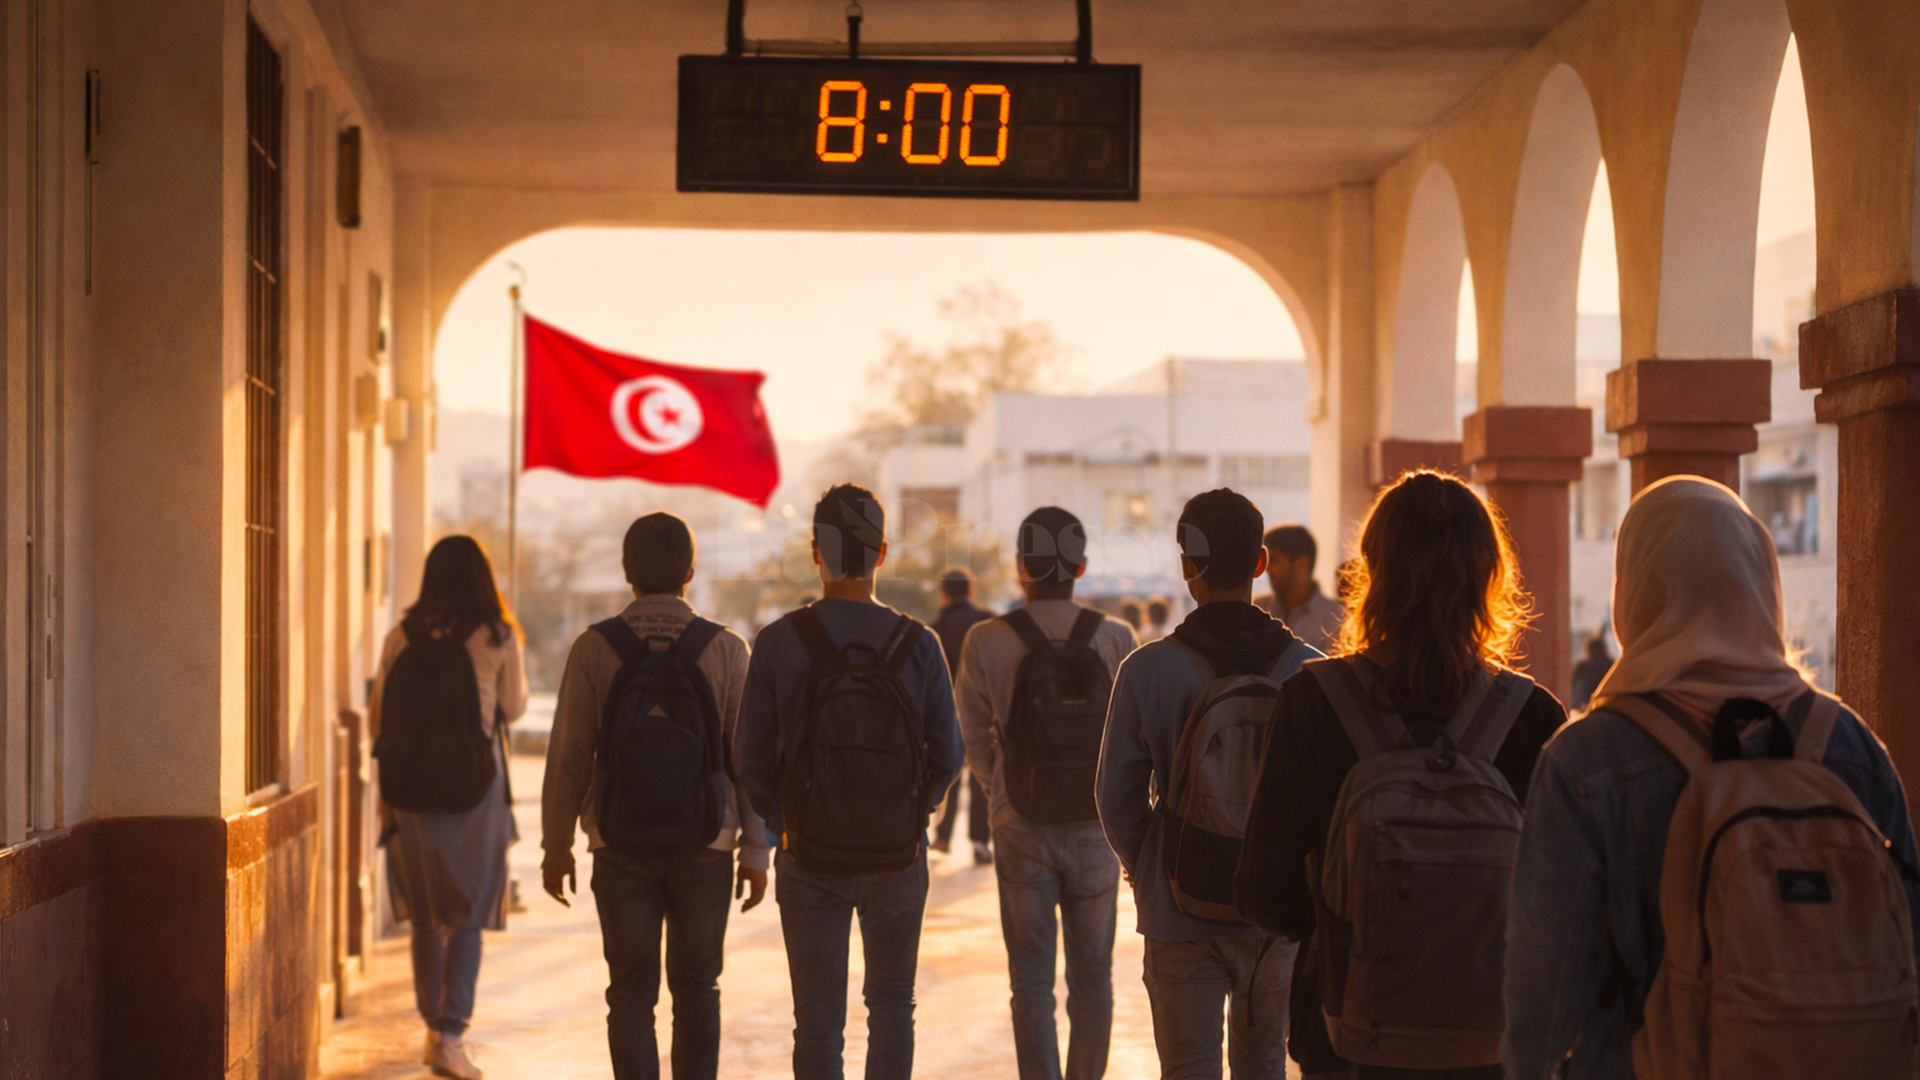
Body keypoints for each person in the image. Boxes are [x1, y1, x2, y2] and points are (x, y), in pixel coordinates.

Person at [1503, 477, 1920, 1080]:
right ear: (1761, 580)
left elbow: (1543, 991)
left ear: (1636, 590)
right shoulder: (1851, 747)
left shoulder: (1587, 762)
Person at [1234, 471, 1565, 1080]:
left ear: (1372, 572)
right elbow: (1560, 900)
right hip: (1493, 1042)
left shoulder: (1313, 701)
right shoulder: (1532, 715)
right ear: (1490, 576)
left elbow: (1264, 890)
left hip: (1350, 1039)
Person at [736, 484, 965, 1080]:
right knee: (892, 1005)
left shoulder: (781, 641)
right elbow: (948, 754)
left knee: (816, 1018)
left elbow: (752, 756)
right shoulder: (919, 644)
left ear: (816, 552)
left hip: (808, 853)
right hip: (896, 855)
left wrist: (784, 820)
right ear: (882, 552)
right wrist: (913, 814)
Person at [1097, 488, 1318, 1079]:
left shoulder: (1146, 670)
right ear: (1260, 563)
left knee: (1187, 1069)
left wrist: (1151, 861)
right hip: (1273, 913)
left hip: (1178, 909)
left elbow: (1115, 796)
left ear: (1187, 565)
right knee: (1266, 1062)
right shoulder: (1311, 672)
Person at [540, 513, 769, 1080]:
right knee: (697, 990)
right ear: (691, 571)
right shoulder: (726, 649)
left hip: (619, 841)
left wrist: (556, 847)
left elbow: (569, 756)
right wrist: (756, 849)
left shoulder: (595, 648)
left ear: (626, 571)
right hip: (707, 840)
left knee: (631, 994)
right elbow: (749, 761)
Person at [956, 507, 1139, 1080]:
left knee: (1030, 981)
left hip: (1021, 825)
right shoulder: (1114, 638)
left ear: (1020, 569)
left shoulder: (986, 640)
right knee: (1094, 980)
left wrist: (1001, 791)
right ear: (1082, 567)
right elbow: (1129, 740)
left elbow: (973, 737)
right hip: (1093, 828)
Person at [372, 535, 529, 1080]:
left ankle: (430, 1027)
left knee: (424, 914)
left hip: (409, 792)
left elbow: (377, 720)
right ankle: (452, 1036)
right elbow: (513, 707)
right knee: (465, 916)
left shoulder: (400, 635)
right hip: (474, 790)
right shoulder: (498, 635)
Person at [930, 566, 996, 865]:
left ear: (944, 593)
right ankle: (980, 841)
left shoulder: (936, 627)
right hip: (986, 709)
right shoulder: (989, 621)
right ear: (971, 590)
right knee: (983, 775)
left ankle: (943, 836)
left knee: (950, 772)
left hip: (948, 711)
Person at [1253, 524, 1346, 654]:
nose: (1266, 568)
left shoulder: (1336, 618)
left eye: (1274, 559)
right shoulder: (1259, 607)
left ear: (1302, 564)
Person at [1568, 628, 1614, 712]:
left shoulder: (1583, 664)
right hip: (1609, 707)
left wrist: (1575, 705)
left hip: (1588, 706)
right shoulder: (1611, 663)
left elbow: (1576, 688)